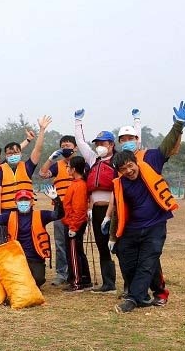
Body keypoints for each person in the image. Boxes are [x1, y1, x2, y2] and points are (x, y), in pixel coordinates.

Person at [110, 100, 185, 313]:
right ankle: (141, 292)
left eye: (130, 138)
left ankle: (137, 298)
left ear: (137, 139)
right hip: (131, 227)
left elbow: (167, 144)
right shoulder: (119, 168)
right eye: (123, 139)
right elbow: (118, 203)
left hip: (155, 223)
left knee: (148, 260)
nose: (127, 141)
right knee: (130, 259)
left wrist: (178, 125)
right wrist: (111, 230)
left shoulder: (151, 158)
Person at [74, 108, 120, 293]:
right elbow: (80, 142)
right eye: (97, 143)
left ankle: (130, 282)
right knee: (102, 246)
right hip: (97, 210)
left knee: (120, 244)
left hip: (115, 209)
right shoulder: (93, 160)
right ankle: (108, 284)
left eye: (103, 143)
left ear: (111, 144)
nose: (99, 146)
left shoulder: (118, 160)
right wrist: (78, 122)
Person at [0, 187, 63, 287]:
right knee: (16, 281)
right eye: (20, 200)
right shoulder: (9, 216)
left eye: (26, 200)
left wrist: (56, 199)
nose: (23, 203)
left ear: (32, 202)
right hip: (17, 258)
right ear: (16, 202)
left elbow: (58, 215)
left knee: (38, 279)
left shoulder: (41, 215)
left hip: (35, 258)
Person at [38, 135, 79, 286]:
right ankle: (61, 273)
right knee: (60, 242)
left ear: (75, 148)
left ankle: (76, 273)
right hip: (59, 208)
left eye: (69, 145)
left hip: (77, 209)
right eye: (63, 146)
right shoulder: (57, 165)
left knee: (75, 242)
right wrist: (50, 159)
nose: (66, 148)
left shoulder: (81, 164)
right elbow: (42, 174)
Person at [0, 116, 50, 218]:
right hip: (7, 212)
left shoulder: (27, 166)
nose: (13, 155)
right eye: (10, 154)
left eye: (16, 153)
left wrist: (42, 130)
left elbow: (38, 150)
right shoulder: (0, 170)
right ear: (6, 156)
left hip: (26, 211)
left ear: (20, 154)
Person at [61, 156, 92, 292]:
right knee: (78, 251)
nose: (67, 169)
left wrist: (73, 227)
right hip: (72, 221)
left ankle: (77, 281)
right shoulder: (75, 183)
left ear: (73, 169)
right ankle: (85, 279)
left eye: (68, 167)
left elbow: (79, 209)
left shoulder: (79, 185)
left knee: (73, 252)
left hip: (74, 223)